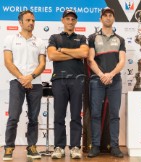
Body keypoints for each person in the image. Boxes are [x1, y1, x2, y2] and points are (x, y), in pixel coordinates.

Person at [2, 10, 46, 161]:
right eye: (28, 20)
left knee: (33, 118)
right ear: (20, 22)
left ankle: (32, 147)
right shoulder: (11, 39)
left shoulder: (39, 41)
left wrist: (31, 77)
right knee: (13, 117)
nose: (31, 23)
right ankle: (8, 147)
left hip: (36, 84)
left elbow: (42, 63)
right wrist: (22, 78)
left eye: (33, 20)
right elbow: (8, 62)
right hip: (17, 82)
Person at [47, 9, 89, 159]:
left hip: (77, 79)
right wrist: (74, 53)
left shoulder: (82, 37)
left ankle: (75, 147)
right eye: (67, 19)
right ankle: (58, 147)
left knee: (76, 115)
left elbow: (84, 54)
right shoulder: (54, 37)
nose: (70, 21)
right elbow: (52, 55)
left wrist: (63, 50)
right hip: (59, 80)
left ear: (76, 21)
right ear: (62, 20)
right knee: (59, 115)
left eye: (73, 19)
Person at [87, 7, 126, 158]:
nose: (108, 18)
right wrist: (102, 75)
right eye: (105, 16)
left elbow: (122, 61)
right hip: (97, 80)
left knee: (114, 115)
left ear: (113, 18)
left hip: (115, 80)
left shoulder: (120, 39)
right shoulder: (92, 37)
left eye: (110, 15)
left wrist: (111, 74)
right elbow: (90, 60)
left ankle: (115, 147)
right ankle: (95, 146)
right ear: (100, 19)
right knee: (95, 114)